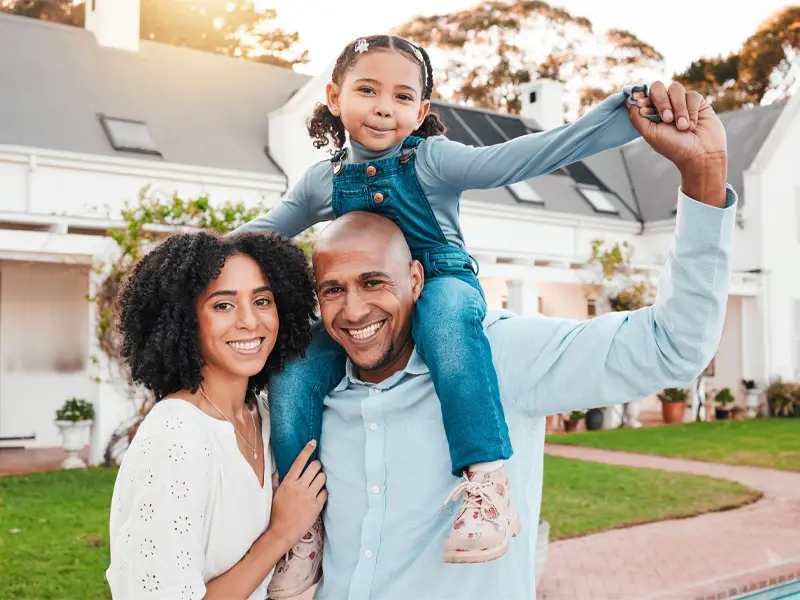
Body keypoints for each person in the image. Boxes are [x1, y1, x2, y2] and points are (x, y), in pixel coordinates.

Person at [235, 33, 672, 592]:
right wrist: (190, 261)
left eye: (401, 97)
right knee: (295, 362)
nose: (383, 107)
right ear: (335, 97)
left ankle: (487, 484)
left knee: (442, 321)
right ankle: (305, 529)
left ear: (421, 112)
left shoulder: (432, 160)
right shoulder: (324, 179)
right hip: (371, 298)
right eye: (367, 91)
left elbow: (525, 156)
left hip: (443, 282)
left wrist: (622, 115)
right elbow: (263, 233)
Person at [303, 80, 734, 600]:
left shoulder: (501, 357)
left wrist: (703, 176)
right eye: (332, 290)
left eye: (375, 282)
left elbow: (674, 346)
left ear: (416, 279)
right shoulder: (305, 389)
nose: (354, 310)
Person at [106, 231, 327, 600]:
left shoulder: (267, 416)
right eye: (223, 305)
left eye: (262, 300)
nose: (249, 321)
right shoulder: (177, 435)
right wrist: (281, 533)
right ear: (184, 320)